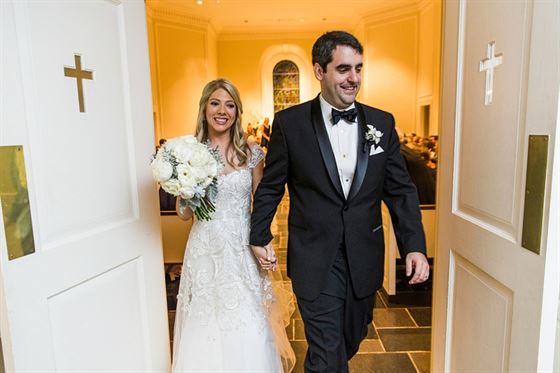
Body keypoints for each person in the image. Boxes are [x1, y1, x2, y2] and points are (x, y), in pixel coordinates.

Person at [250, 31, 430, 372]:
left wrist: (414, 245)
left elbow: (400, 189)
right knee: (327, 351)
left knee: (346, 340)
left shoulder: (381, 122)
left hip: (364, 256)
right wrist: (259, 235)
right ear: (320, 71)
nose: (354, 79)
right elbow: (272, 186)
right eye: (344, 69)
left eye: (359, 68)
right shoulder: (290, 124)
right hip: (315, 256)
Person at [172, 78, 295, 372]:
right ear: (204, 108)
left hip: (241, 248)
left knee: (249, 321)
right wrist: (187, 187)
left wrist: (264, 244)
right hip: (205, 248)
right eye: (215, 103)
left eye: (230, 105)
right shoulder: (190, 152)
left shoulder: (250, 153)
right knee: (205, 323)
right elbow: (183, 214)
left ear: (237, 112)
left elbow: (262, 205)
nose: (222, 110)